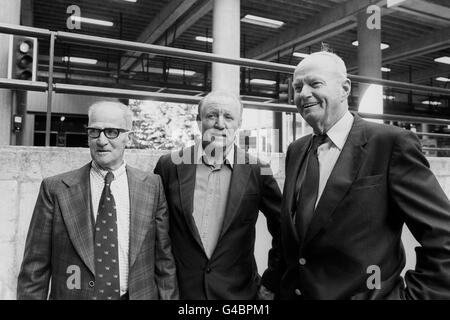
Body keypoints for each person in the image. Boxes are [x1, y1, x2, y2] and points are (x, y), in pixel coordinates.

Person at [279, 51, 450, 299]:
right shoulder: (296, 151)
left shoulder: (390, 144)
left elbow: (444, 238)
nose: (303, 93)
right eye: (297, 87)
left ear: (344, 88)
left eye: (315, 83)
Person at [17, 101, 179, 300]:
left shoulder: (152, 186)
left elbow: (164, 261)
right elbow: (35, 269)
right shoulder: (56, 189)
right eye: (94, 131)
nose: (101, 140)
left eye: (112, 132)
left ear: (129, 137)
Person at [154, 91, 283, 299]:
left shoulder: (259, 169)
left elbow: (283, 228)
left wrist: (271, 280)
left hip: (239, 294)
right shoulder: (169, 166)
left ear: (239, 123)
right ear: (199, 121)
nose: (220, 124)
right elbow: (158, 233)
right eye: (212, 115)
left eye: (228, 117)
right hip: (182, 292)